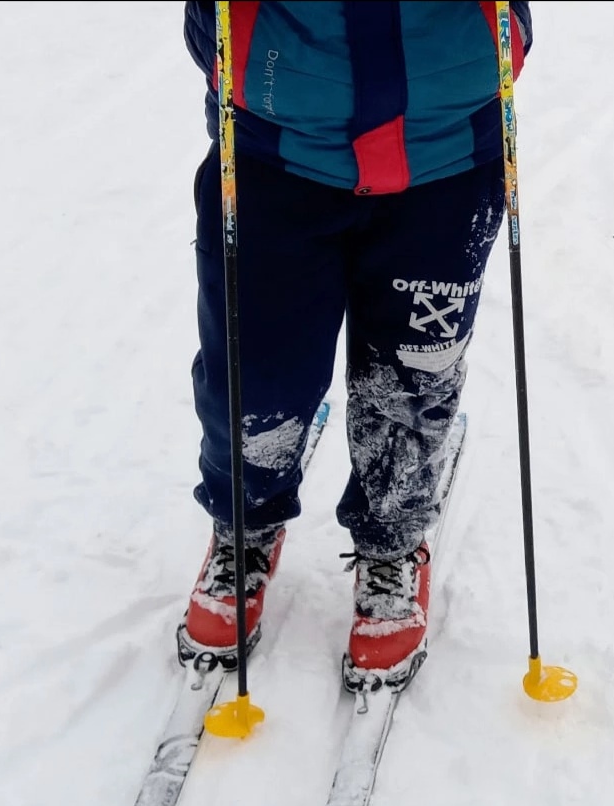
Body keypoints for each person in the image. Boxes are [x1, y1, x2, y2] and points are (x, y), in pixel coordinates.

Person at [178, 0, 532, 692]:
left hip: (447, 151)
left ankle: (392, 539)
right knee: (256, 376)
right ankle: (244, 522)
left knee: (412, 373)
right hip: (277, 145)